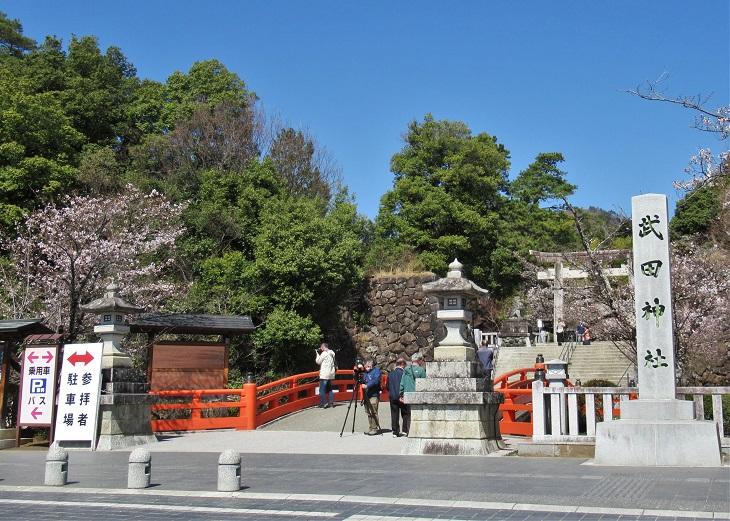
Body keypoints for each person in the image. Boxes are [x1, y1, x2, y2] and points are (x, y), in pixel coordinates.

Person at [387, 358, 410, 437]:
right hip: (402, 396)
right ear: (402, 364)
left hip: (392, 396)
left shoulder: (390, 374)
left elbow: (387, 386)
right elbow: (405, 385)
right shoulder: (404, 373)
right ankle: (405, 430)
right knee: (405, 413)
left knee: (394, 414)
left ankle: (395, 432)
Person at [362, 358, 381, 435]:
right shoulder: (365, 372)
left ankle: (375, 428)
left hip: (374, 394)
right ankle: (371, 427)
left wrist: (367, 385)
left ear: (371, 365)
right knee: (368, 412)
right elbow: (362, 380)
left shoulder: (376, 371)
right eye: (365, 366)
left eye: (367, 366)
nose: (366, 367)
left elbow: (375, 381)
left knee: (373, 411)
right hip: (366, 395)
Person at [315, 343, 336, 408]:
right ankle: (331, 403)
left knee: (322, 390)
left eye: (321, 348)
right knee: (330, 389)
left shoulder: (324, 353)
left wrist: (317, 354)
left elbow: (318, 362)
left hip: (324, 374)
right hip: (331, 374)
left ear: (323, 347)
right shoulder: (332, 353)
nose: (321, 349)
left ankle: (324, 403)